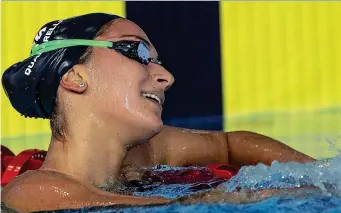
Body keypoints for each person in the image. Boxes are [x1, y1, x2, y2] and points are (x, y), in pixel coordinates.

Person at [1, 13, 315, 212]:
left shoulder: (145, 155)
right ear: (74, 77)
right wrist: (248, 197)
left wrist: (320, 173)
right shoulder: (33, 191)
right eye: (136, 52)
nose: (166, 77)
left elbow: (230, 144)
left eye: (157, 60)